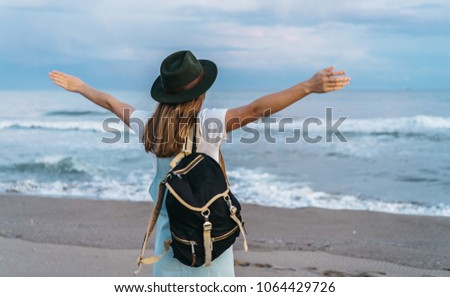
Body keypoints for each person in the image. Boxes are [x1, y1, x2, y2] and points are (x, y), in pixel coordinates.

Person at [48, 50, 350, 276]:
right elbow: (258, 108)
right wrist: (307, 87)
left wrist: (80, 86)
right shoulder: (211, 123)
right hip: (210, 233)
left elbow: (111, 103)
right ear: (201, 92)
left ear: (165, 93)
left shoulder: (149, 125)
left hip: (170, 239)